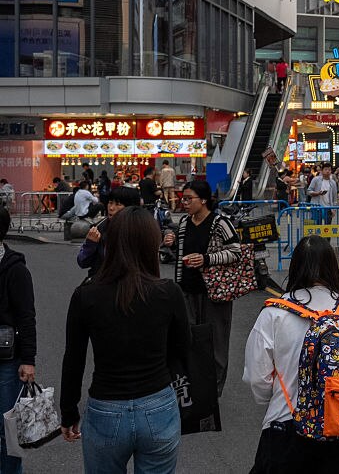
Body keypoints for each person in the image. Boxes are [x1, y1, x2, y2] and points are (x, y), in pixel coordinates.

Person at [60, 206, 189, 473]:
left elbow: (74, 358)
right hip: (158, 403)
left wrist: (69, 410)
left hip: (106, 406)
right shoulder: (168, 292)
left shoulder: (86, 295)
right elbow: (183, 348)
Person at [243, 236, 339, 473]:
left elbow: (257, 378)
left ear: (294, 266)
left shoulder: (273, 314)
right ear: (332, 266)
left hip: (288, 429)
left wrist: (275, 398)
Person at [163, 180, 241, 394]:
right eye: (183, 198)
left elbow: (236, 251)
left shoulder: (220, 222)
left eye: (189, 199)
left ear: (204, 200)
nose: (184, 202)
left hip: (215, 292)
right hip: (186, 290)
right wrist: (171, 243)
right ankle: (193, 385)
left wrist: (207, 259)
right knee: (189, 338)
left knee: (216, 341)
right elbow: (180, 255)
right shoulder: (185, 224)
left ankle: (213, 390)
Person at [0, 207, 35, 474]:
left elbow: (26, 316)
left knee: (6, 427)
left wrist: (28, 360)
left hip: (6, 361)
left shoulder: (15, 269)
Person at [78, 186, 142, 279]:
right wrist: (90, 244)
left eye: (118, 204)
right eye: (110, 203)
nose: (111, 208)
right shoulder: (99, 227)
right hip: (102, 282)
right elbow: (82, 262)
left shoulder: (140, 228)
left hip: (132, 282)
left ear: (130, 207)